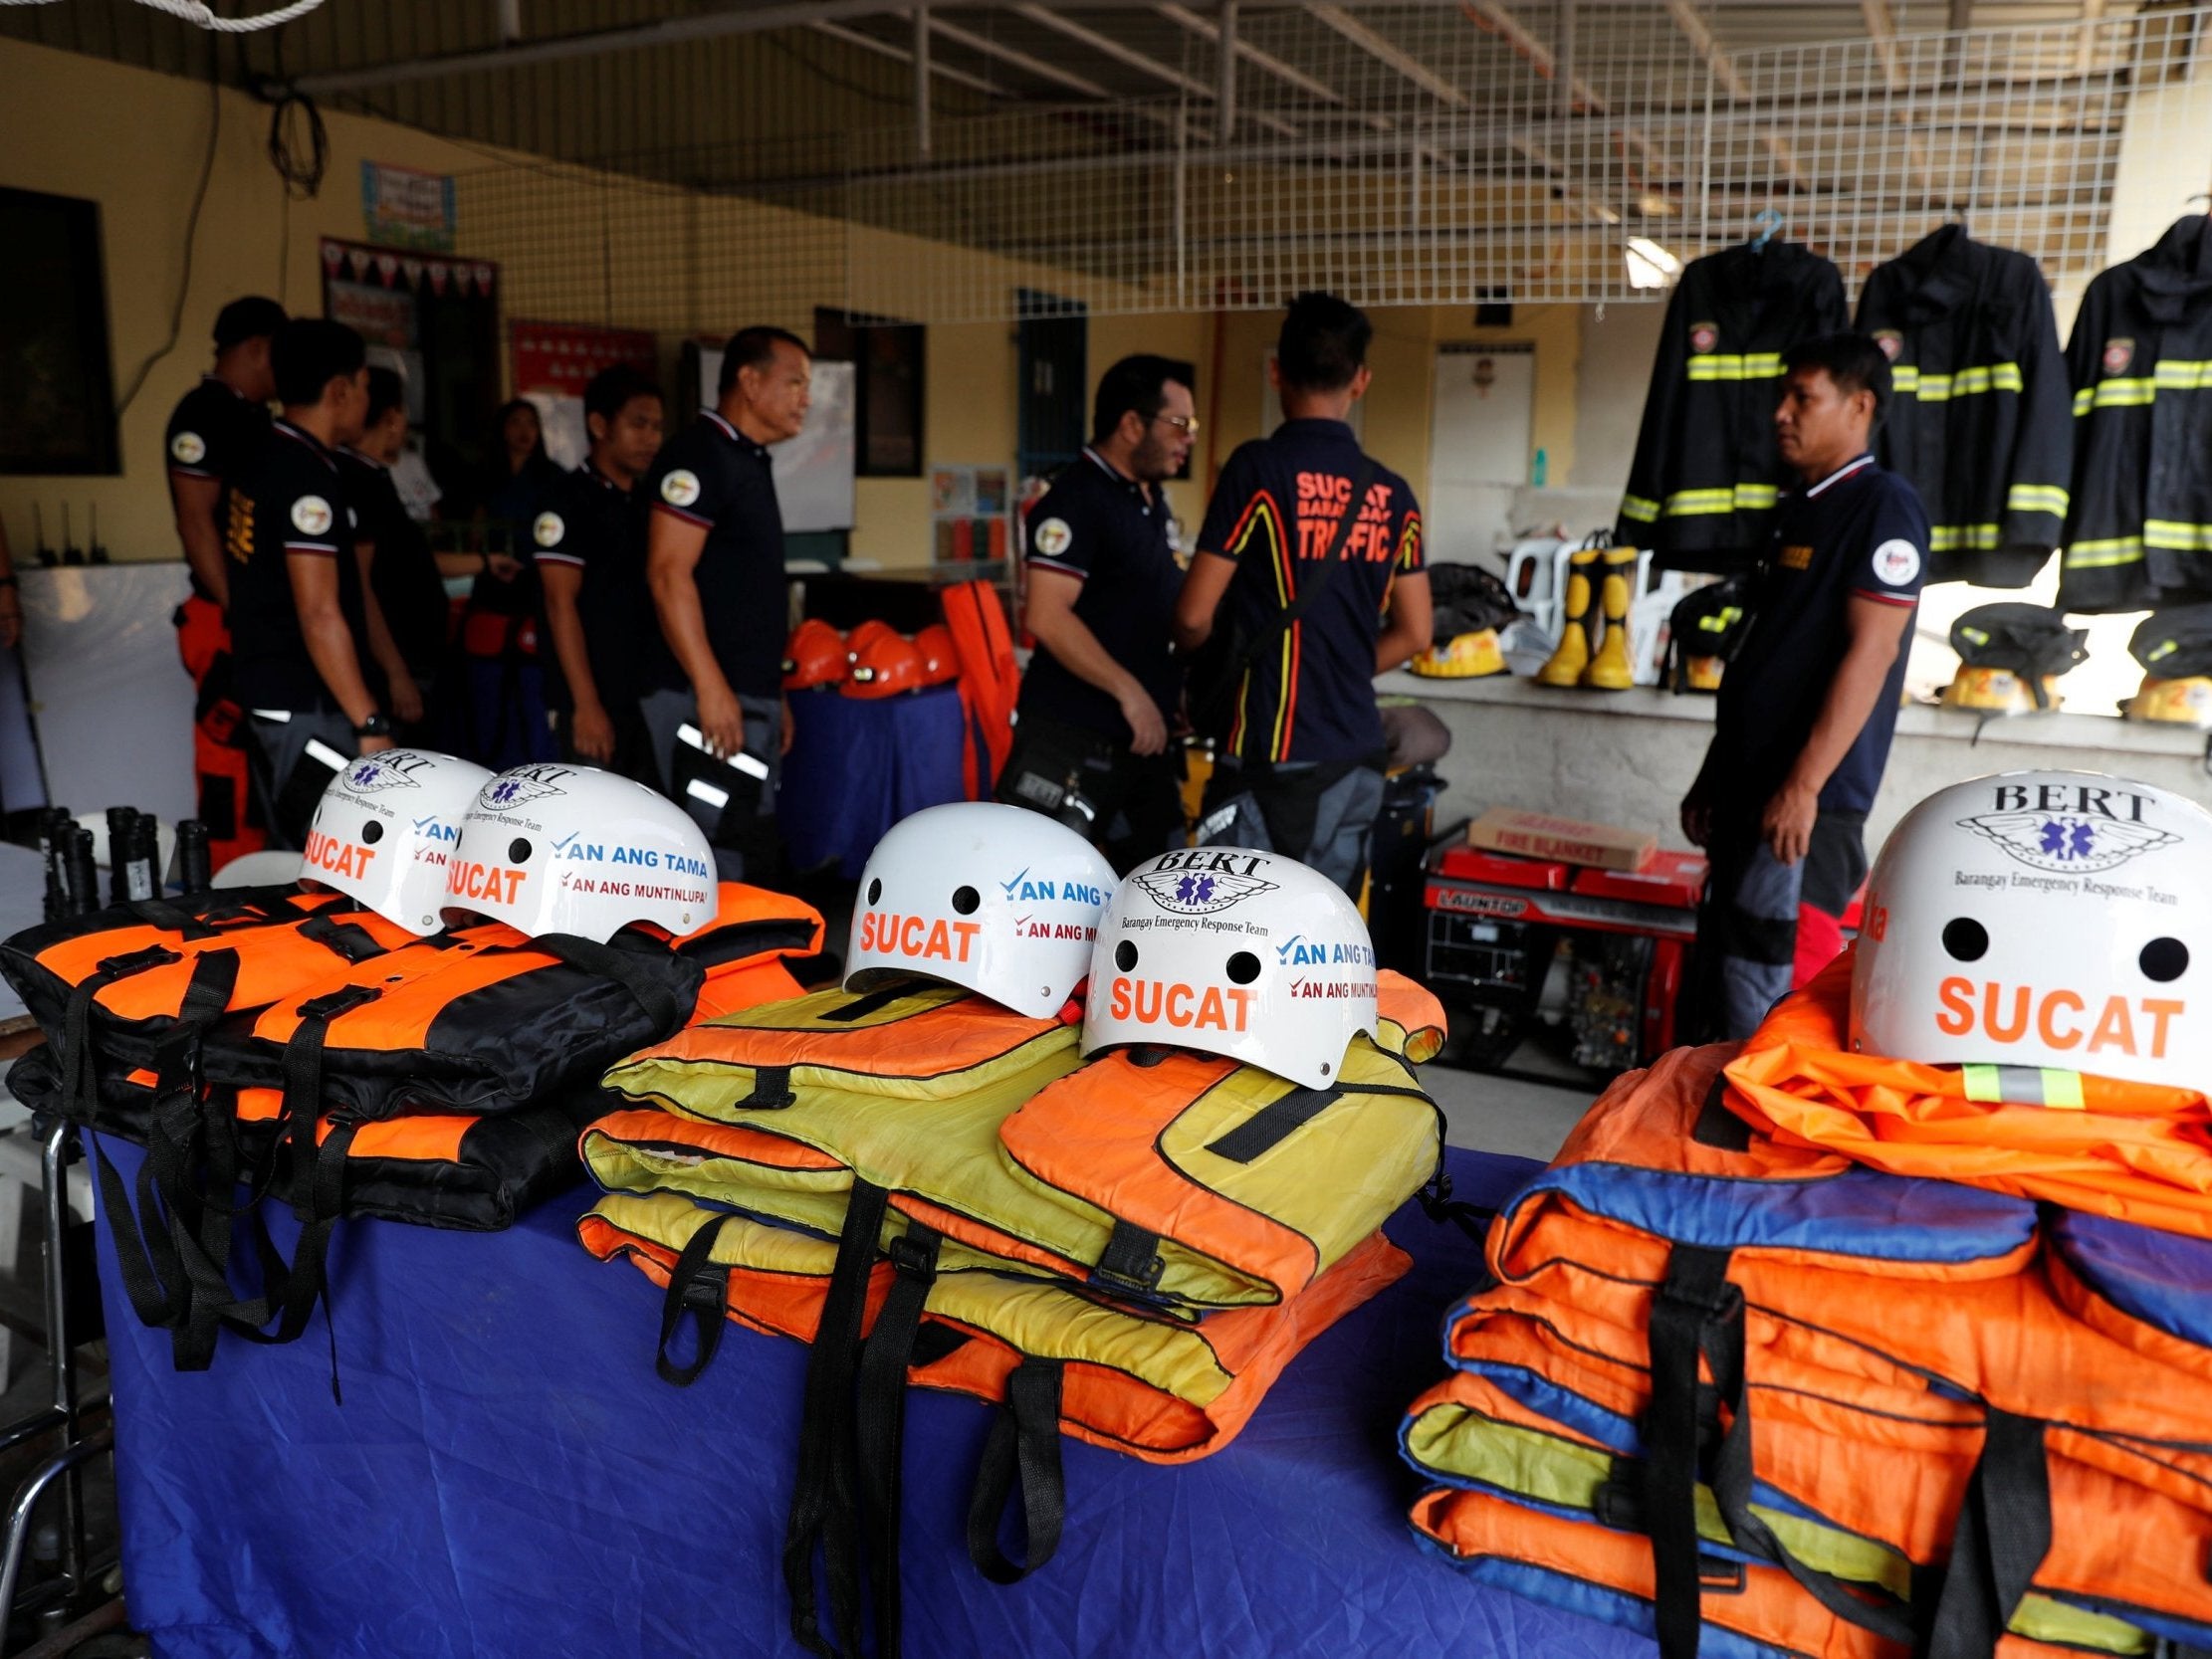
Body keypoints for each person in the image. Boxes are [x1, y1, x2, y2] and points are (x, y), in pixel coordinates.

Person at [1679, 331, 1928, 1041]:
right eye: (1782, 396)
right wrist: (1714, 775)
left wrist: (1806, 786)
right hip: (1749, 795)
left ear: (1859, 406)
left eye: (1803, 398)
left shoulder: (1882, 505)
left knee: (1772, 995)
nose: (1781, 413)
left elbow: (1872, 652)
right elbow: (1763, 654)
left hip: (1802, 811)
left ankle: (1780, 1151)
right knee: (1727, 987)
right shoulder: (1798, 507)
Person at [1172, 292, 1432, 898]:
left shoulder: (1257, 470)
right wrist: (1336, 667)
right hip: (1358, 760)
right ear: (1360, 381)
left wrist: (1204, 671)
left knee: (1236, 937)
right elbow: (1417, 633)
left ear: (1276, 370)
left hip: (1271, 756)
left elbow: (1191, 616)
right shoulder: (1392, 495)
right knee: (1321, 944)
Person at [995, 355, 1195, 872]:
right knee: (1040, 887)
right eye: (1178, 424)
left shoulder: (1149, 500)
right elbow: (1046, 614)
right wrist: (1131, 693)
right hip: (1071, 736)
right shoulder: (1077, 499)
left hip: (1143, 742)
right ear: (1132, 424)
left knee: (1165, 889)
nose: (1189, 437)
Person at [641, 325, 810, 879]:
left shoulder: (746, 458)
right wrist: (712, 688)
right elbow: (668, 576)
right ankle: (700, 964)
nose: (805, 398)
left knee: (747, 828)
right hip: (700, 693)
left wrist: (771, 690)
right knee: (712, 838)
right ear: (749, 380)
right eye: (794, 382)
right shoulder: (699, 455)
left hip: (746, 689)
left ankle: (748, 957)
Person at [228, 318, 393, 849]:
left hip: (273, 690)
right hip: (308, 704)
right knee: (323, 852)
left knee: (296, 843)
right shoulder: (305, 478)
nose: (366, 400)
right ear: (340, 390)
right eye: (366, 387)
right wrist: (368, 722)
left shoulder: (261, 454)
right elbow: (319, 613)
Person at [164, 295, 287, 862]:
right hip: (224, 620)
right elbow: (196, 521)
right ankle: (225, 887)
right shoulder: (202, 412)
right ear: (258, 349)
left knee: (266, 763)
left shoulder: (256, 417)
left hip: (258, 618)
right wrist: (239, 610)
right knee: (227, 760)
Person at [536, 364, 664, 775]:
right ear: (598, 424)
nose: (651, 438)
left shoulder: (649, 502)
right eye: (638, 424)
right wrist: (586, 705)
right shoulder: (567, 502)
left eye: (657, 426)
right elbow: (560, 605)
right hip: (591, 698)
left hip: (647, 693)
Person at [339, 367, 447, 742]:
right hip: (395, 665)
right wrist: (397, 673)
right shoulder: (357, 480)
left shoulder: (375, 477)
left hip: (413, 658)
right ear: (390, 417)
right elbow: (360, 585)